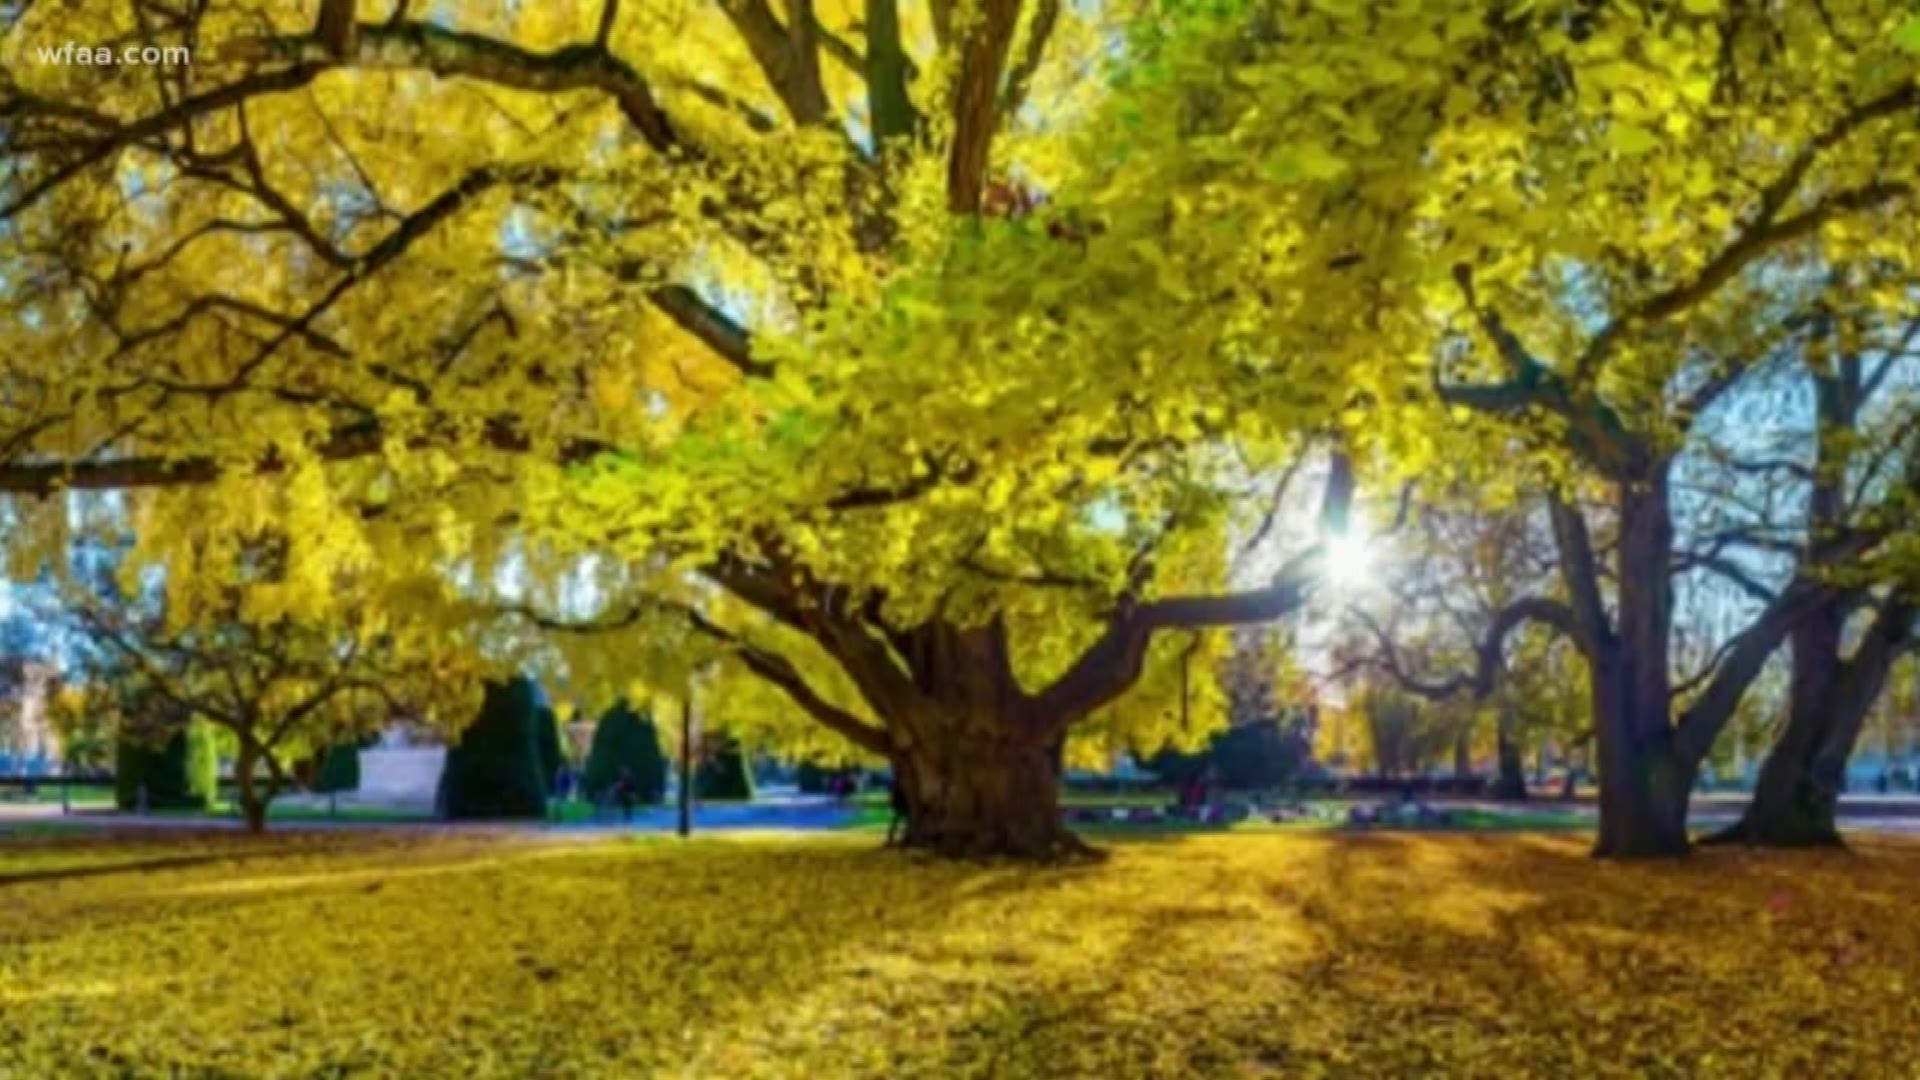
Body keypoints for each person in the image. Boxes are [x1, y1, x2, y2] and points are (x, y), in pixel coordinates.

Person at [886, 775, 910, 846]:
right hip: (901, 806)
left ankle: (893, 837)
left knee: (899, 822)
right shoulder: (898, 787)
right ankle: (892, 837)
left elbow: (892, 798)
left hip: (901, 806)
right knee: (900, 821)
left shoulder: (897, 786)